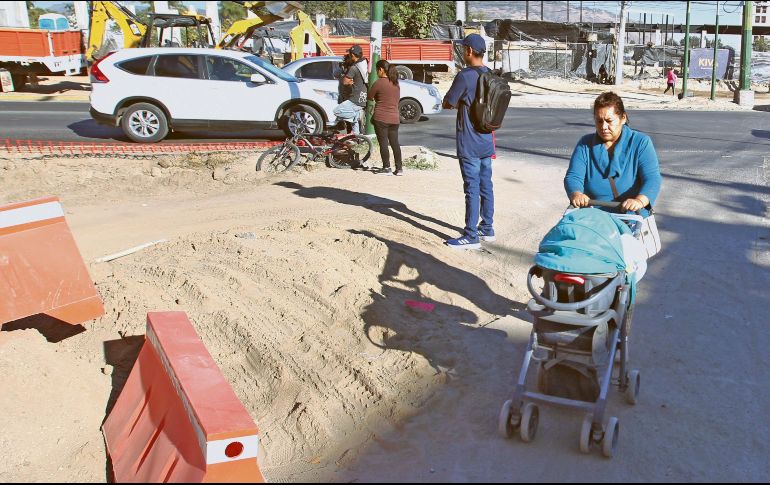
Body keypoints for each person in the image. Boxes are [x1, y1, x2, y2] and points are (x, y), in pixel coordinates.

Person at [565, 92, 662, 217]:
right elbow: (573, 177)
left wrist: (639, 201)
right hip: (594, 217)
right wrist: (576, 194)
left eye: (609, 121)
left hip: (630, 216)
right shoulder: (585, 144)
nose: (604, 126)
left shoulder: (640, 142)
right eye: (599, 121)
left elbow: (652, 178)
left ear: (623, 118)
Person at [441, 33, 495, 250]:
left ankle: (470, 235)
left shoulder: (465, 76)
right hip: (486, 140)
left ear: (470, 51)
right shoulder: (489, 74)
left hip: (469, 143)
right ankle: (487, 227)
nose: (462, 53)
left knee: (471, 188)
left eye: (464, 49)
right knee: (486, 185)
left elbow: (449, 102)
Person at [367, 60, 403, 176]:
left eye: (377, 70)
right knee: (395, 143)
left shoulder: (379, 83)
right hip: (395, 118)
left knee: (383, 143)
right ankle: (399, 169)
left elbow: (370, 97)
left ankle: (386, 167)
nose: (377, 72)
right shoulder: (395, 83)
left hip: (381, 117)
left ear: (381, 69)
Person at [333, 45, 368, 134]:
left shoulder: (355, 67)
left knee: (339, 112)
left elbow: (345, 81)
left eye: (349, 55)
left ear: (352, 55)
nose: (348, 58)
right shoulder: (357, 66)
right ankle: (356, 138)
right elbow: (336, 74)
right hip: (346, 95)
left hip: (353, 97)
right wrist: (343, 68)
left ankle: (357, 116)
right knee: (352, 123)